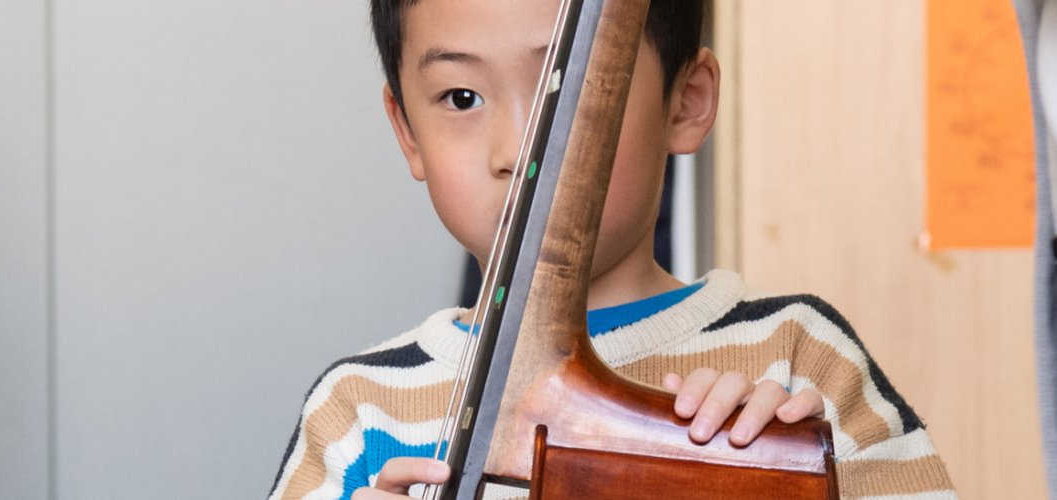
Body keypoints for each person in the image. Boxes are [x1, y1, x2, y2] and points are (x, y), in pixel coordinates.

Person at [269, 1, 955, 498]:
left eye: (563, 91)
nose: (516, 151)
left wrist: (770, 475)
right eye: (462, 96)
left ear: (686, 102)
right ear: (407, 132)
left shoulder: (799, 360)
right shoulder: (356, 412)